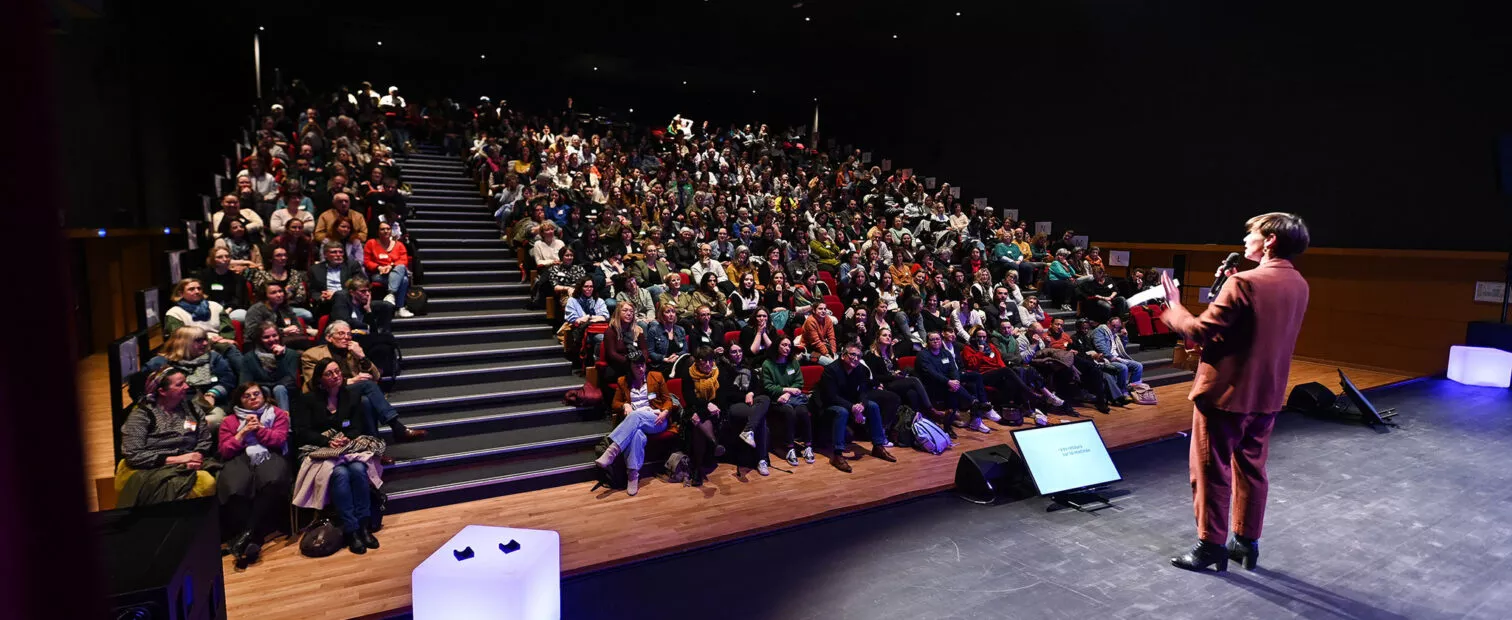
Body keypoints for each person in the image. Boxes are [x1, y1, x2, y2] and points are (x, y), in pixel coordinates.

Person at [1161, 213, 1310, 572]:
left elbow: (1198, 331)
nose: (1245, 241)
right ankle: (1245, 542)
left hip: (1226, 395)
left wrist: (1174, 308)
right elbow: (1255, 333)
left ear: (1270, 240)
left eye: (1252, 234)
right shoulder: (1299, 284)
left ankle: (1210, 546)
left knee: (1211, 471)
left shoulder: (1244, 283)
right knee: (1252, 470)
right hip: (1267, 395)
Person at [292, 358, 383, 555]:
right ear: (320, 379)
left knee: (359, 469)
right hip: (318, 451)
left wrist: (345, 438)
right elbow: (302, 431)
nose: (336, 376)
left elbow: (357, 427)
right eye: (329, 373)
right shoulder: (307, 400)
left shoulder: (349, 396)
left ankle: (364, 526)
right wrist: (327, 441)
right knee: (340, 473)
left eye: (337, 372)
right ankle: (351, 531)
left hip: (345, 448)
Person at [300, 320, 426, 442]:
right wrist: (349, 381)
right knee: (367, 385)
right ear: (329, 337)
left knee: (365, 401)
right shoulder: (312, 355)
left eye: (349, 334)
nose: (346, 337)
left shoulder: (353, 352)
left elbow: (376, 376)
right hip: (326, 395)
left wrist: (362, 356)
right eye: (341, 334)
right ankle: (397, 427)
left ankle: (375, 448)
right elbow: (313, 382)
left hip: (349, 394)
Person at [116, 367, 217, 507]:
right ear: (162, 391)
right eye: (179, 384)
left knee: (225, 476)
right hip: (151, 468)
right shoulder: (142, 415)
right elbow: (133, 454)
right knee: (205, 483)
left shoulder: (191, 408)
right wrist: (178, 460)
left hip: (191, 461)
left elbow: (204, 439)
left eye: (185, 382)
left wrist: (197, 456)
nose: (187, 386)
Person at [217, 382, 292, 568]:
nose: (253, 398)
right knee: (235, 487)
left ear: (264, 396)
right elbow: (225, 450)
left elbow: (278, 439)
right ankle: (252, 538)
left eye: (256, 394)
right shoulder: (229, 421)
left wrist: (259, 429)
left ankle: (248, 535)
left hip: (269, 452)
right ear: (239, 400)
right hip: (240, 455)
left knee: (272, 479)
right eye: (247, 396)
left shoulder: (278, 415)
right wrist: (242, 433)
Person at [675, 346, 769, 484]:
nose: (708, 364)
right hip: (694, 409)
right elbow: (689, 398)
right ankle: (705, 457)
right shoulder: (688, 374)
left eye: (710, 361)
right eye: (704, 361)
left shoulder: (719, 373)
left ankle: (698, 468)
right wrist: (705, 406)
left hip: (717, 410)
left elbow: (721, 398)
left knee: (700, 422)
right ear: (697, 362)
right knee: (696, 423)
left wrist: (710, 406)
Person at [596, 350, 676, 496]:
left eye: (642, 365)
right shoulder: (623, 382)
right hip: (635, 423)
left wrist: (665, 412)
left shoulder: (656, 377)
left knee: (637, 415)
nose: (640, 369)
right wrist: (624, 405)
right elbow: (615, 403)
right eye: (636, 367)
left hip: (656, 420)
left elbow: (668, 399)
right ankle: (633, 475)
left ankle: (613, 450)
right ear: (630, 368)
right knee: (637, 435)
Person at [814, 342, 897, 472]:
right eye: (852, 354)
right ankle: (838, 454)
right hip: (828, 405)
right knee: (842, 412)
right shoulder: (831, 370)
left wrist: (861, 405)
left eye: (858, 356)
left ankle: (878, 446)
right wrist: (852, 407)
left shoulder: (860, 369)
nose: (856, 358)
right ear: (843, 355)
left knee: (873, 406)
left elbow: (864, 391)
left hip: (851, 403)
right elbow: (831, 397)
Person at [863, 326, 945, 429]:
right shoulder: (871, 355)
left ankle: (917, 423)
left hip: (895, 381)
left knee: (912, 394)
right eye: (884, 335)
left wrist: (898, 372)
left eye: (889, 336)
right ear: (878, 338)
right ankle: (931, 410)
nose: (888, 337)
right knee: (914, 381)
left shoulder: (890, 354)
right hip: (884, 384)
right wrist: (892, 376)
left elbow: (896, 368)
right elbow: (874, 376)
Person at [915, 330, 995, 433]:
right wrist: (949, 382)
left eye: (937, 339)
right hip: (932, 385)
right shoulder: (923, 355)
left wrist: (955, 381)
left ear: (941, 340)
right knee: (953, 390)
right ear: (928, 342)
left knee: (958, 388)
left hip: (948, 384)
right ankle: (974, 404)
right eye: (932, 339)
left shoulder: (946, 353)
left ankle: (950, 425)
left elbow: (953, 369)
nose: (935, 341)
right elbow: (931, 373)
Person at [758, 336, 816, 467]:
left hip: (792, 397)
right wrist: (786, 390)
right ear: (777, 346)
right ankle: (790, 448)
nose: (787, 348)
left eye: (789, 346)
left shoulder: (793, 362)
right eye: (784, 345)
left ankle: (808, 446)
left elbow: (799, 382)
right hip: (775, 399)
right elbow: (768, 386)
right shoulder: (768, 364)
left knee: (803, 410)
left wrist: (788, 394)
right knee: (788, 411)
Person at [163, 278, 244, 370]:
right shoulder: (175, 313)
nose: (197, 291)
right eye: (191, 289)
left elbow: (227, 328)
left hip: (219, 341)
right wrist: (213, 341)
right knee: (229, 349)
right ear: (181, 293)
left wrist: (225, 338)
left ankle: (246, 380)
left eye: (199, 288)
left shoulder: (215, 306)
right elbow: (180, 338)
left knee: (229, 349)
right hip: (192, 347)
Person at [247, 246, 314, 321]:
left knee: (307, 314)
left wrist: (283, 299)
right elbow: (260, 296)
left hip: (289, 307)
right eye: (278, 255)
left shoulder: (294, 274)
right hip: (268, 308)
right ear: (271, 259)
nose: (283, 258)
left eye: (285, 255)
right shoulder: (261, 275)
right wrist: (286, 294)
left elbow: (301, 296)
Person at [363, 221, 415, 318]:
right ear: (378, 231)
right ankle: (400, 308)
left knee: (402, 272)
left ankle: (391, 294)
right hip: (379, 275)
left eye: (388, 229)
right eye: (382, 229)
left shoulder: (399, 245)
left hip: (395, 272)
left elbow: (403, 260)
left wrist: (391, 266)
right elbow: (367, 261)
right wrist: (379, 267)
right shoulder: (371, 243)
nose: (385, 231)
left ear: (391, 231)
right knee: (403, 280)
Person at [1093, 316, 1145, 399]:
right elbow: (1100, 345)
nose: (1115, 329)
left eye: (1117, 327)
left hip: (1117, 357)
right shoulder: (1100, 330)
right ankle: (1122, 391)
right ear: (1108, 323)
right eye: (1113, 326)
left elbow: (1121, 349)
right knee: (1123, 367)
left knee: (1138, 366)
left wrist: (1124, 337)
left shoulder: (1114, 335)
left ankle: (1133, 390)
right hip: (1106, 359)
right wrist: (1110, 357)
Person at [308, 241, 363, 315]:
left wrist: (336, 294)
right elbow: (313, 290)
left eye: (341, 252)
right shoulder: (315, 269)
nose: (338, 255)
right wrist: (321, 297)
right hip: (327, 303)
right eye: (334, 252)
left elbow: (359, 286)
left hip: (349, 300)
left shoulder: (352, 266)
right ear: (325, 255)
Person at [196, 247, 250, 322]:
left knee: (242, 315)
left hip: (230, 310)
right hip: (210, 309)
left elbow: (238, 299)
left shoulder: (238, 278)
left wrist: (227, 311)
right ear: (213, 260)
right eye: (220, 257)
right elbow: (203, 296)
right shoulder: (204, 276)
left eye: (227, 256)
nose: (225, 259)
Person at [331, 276, 396, 334]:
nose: (367, 294)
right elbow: (343, 321)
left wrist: (368, 310)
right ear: (352, 292)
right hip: (343, 335)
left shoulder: (365, 303)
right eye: (363, 291)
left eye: (368, 291)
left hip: (362, 335)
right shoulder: (341, 297)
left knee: (386, 306)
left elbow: (373, 330)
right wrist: (367, 326)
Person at [646, 300, 688, 374]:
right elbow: (650, 352)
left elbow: (685, 349)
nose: (671, 314)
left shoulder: (680, 329)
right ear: (662, 315)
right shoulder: (653, 331)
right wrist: (664, 359)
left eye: (673, 312)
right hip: (662, 364)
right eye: (667, 312)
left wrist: (677, 356)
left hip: (678, 361)